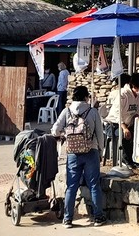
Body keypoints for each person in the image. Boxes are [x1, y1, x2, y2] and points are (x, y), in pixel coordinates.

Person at [51, 85, 105, 228]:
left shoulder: (66, 111)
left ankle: (68, 219)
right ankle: (98, 217)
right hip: (90, 151)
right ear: (86, 96)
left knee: (71, 186)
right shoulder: (92, 112)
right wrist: (101, 151)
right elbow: (100, 134)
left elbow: (54, 130)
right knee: (94, 185)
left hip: (73, 153)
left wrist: (65, 134)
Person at [103, 74, 131, 165]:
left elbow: (107, 106)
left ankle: (125, 159)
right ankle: (125, 159)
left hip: (114, 122)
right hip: (114, 124)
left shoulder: (114, 92)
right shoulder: (122, 94)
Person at [119, 74, 139, 167]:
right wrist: (124, 128)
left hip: (130, 122)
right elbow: (117, 114)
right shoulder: (123, 94)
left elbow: (136, 111)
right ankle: (126, 160)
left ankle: (137, 159)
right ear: (134, 86)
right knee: (126, 134)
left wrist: (138, 117)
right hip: (117, 124)